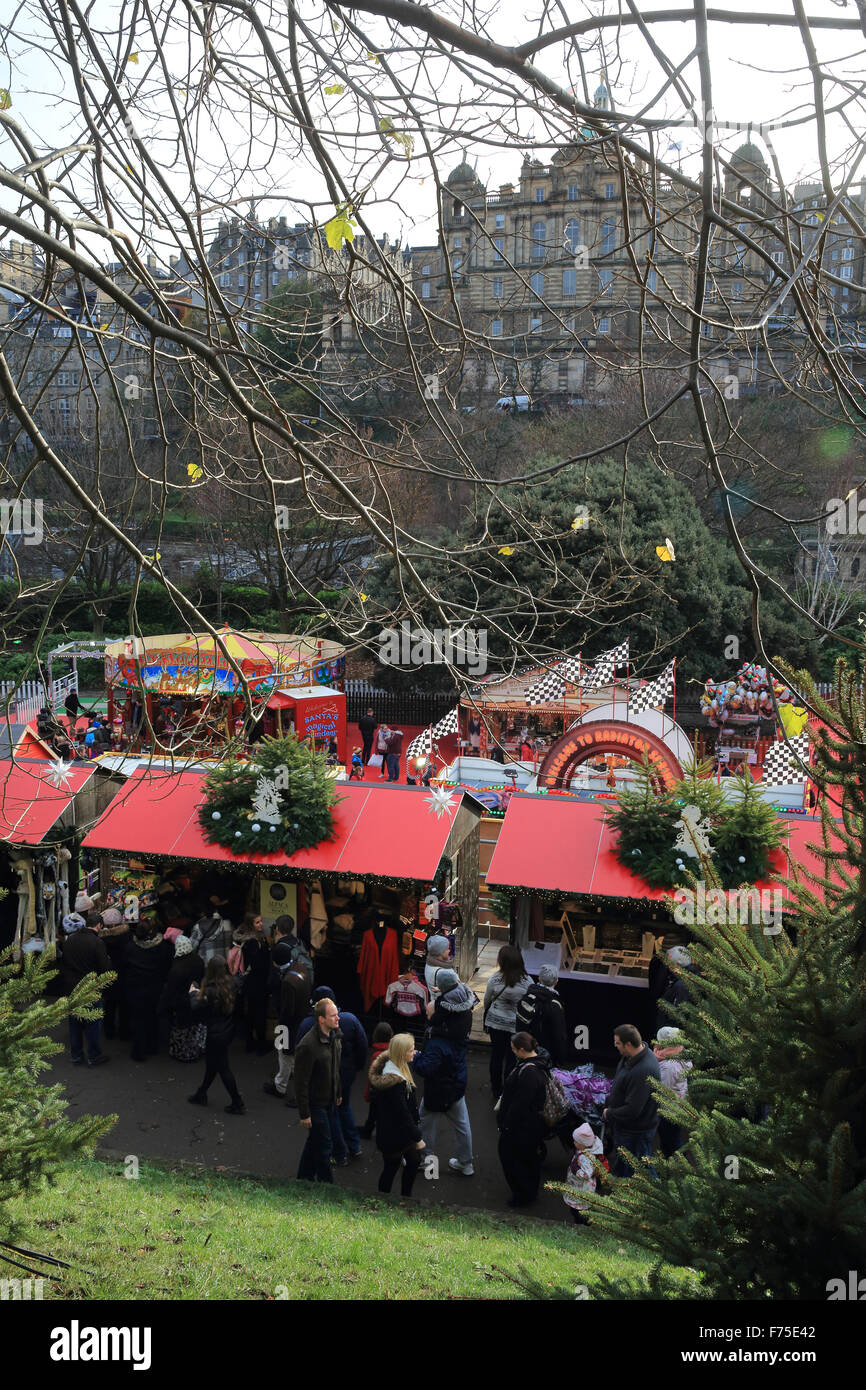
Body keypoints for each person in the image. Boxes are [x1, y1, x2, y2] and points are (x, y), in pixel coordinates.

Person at [295, 986, 367, 1163]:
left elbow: (299, 1054)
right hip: (346, 1073)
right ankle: (354, 1145)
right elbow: (363, 1044)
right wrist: (357, 1066)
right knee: (344, 1108)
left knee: (331, 1115)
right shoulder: (350, 1019)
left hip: (323, 1080)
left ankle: (339, 1153)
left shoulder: (307, 1025)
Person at [414, 970, 475, 1176]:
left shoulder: (437, 1043)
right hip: (457, 1082)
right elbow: (447, 1004)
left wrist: (415, 1058)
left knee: (425, 1124)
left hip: (437, 1088)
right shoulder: (462, 1009)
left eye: (429, 1014)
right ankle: (466, 1163)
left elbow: (425, 1068)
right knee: (462, 1125)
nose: (427, 1015)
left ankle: (427, 1162)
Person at [369, 1033, 425, 1197]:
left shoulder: (397, 1069)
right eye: (411, 1050)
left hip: (399, 1133)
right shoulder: (394, 1083)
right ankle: (384, 1198)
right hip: (394, 1136)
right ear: (402, 1054)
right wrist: (417, 1137)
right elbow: (402, 1113)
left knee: (413, 1161)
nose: (414, 1052)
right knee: (391, 1168)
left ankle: (405, 1196)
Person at [497, 1031, 549, 1208]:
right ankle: (528, 1192)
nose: (512, 1052)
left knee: (514, 1160)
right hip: (529, 1126)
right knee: (528, 1160)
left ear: (521, 1049)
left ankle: (522, 1195)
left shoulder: (529, 1072)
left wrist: (506, 1125)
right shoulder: (537, 1065)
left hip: (521, 1128)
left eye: (513, 1049)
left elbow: (520, 1104)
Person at [264, 915, 312, 1102]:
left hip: (289, 1025)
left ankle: (281, 1086)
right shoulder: (300, 968)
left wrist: (280, 1028)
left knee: (284, 1053)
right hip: (302, 1019)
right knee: (293, 1054)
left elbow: (287, 1012)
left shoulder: (287, 982)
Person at [187, 957, 245, 1113]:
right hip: (226, 1031)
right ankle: (201, 1092)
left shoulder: (210, 991)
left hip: (215, 1034)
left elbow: (195, 1006)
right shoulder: (231, 984)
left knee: (222, 1068)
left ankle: (237, 1102)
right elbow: (240, 981)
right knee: (213, 1065)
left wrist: (193, 993)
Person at [603, 1024, 661, 1177]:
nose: (615, 1046)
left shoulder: (642, 1070)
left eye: (617, 1043)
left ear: (628, 1044)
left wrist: (609, 1113)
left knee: (643, 1168)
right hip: (629, 1129)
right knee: (624, 1163)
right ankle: (621, 1187)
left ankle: (655, 1195)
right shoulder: (632, 1056)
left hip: (635, 1131)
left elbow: (633, 1109)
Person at [295, 997, 342, 1183]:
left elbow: (336, 1067)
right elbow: (301, 1082)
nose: (338, 1018)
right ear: (321, 1019)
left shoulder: (335, 1036)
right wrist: (304, 1113)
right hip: (315, 1104)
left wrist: (338, 1092)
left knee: (315, 1140)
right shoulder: (308, 1046)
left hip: (329, 1100)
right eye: (333, 1016)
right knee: (324, 1145)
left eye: (337, 1014)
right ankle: (327, 1185)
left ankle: (304, 1177)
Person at [58, 912, 112, 1066]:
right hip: (90, 988)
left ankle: (76, 1055)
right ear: (99, 925)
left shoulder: (70, 941)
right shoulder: (97, 942)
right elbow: (104, 967)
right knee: (93, 1023)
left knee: (74, 1023)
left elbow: (64, 964)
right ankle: (93, 1055)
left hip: (72, 988)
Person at [483, 944, 532, 1101]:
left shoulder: (495, 978)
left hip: (495, 1023)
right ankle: (508, 1089)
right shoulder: (527, 981)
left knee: (496, 1056)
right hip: (516, 1026)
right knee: (513, 1058)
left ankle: (496, 1089)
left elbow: (487, 1000)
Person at [123, 920, 174, 1062]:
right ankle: (152, 1047)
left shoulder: (130, 947)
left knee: (138, 1020)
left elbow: (124, 965)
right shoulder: (162, 947)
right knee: (152, 1018)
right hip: (154, 988)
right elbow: (167, 965)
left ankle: (138, 1051)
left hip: (135, 988)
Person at [159, 934, 206, 1062]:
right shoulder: (198, 960)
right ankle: (196, 1050)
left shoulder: (177, 967)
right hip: (196, 998)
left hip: (182, 1002)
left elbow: (171, 989)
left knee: (182, 1029)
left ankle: (183, 1053)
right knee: (195, 1026)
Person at [515, 964, 570, 1067]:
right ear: (556, 981)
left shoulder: (527, 998)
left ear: (539, 979)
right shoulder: (554, 1005)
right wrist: (561, 1059)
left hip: (526, 1052)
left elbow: (519, 1028)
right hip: (545, 1055)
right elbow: (559, 1036)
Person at [654, 1026, 691, 1157]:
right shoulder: (679, 1053)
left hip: (669, 1109)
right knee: (669, 1139)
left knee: (671, 1140)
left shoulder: (669, 1066)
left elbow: (662, 1088)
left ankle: (682, 1164)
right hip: (676, 1106)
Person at [238, 912, 271, 1054]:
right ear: (251, 925)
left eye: (261, 921)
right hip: (258, 982)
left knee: (251, 1012)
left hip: (251, 982)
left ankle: (250, 1043)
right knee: (259, 1013)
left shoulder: (250, 939)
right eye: (257, 922)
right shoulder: (254, 942)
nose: (261, 924)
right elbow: (258, 964)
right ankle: (261, 1045)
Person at [563, 1122, 605, 1225]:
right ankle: (581, 1221)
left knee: (579, 1211)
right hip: (580, 1185)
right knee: (578, 1209)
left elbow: (587, 1174)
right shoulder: (584, 1149)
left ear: (583, 1144)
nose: (573, 1142)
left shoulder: (585, 1157)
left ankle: (583, 1225)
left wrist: (576, 1170)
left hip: (582, 1187)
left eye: (576, 1141)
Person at [359, 1021, 393, 1139]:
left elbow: (372, 1078)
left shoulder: (377, 1055)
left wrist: (367, 1094)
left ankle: (368, 1131)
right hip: (390, 1090)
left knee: (373, 1113)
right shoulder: (394, 1052)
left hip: (378, 1091)